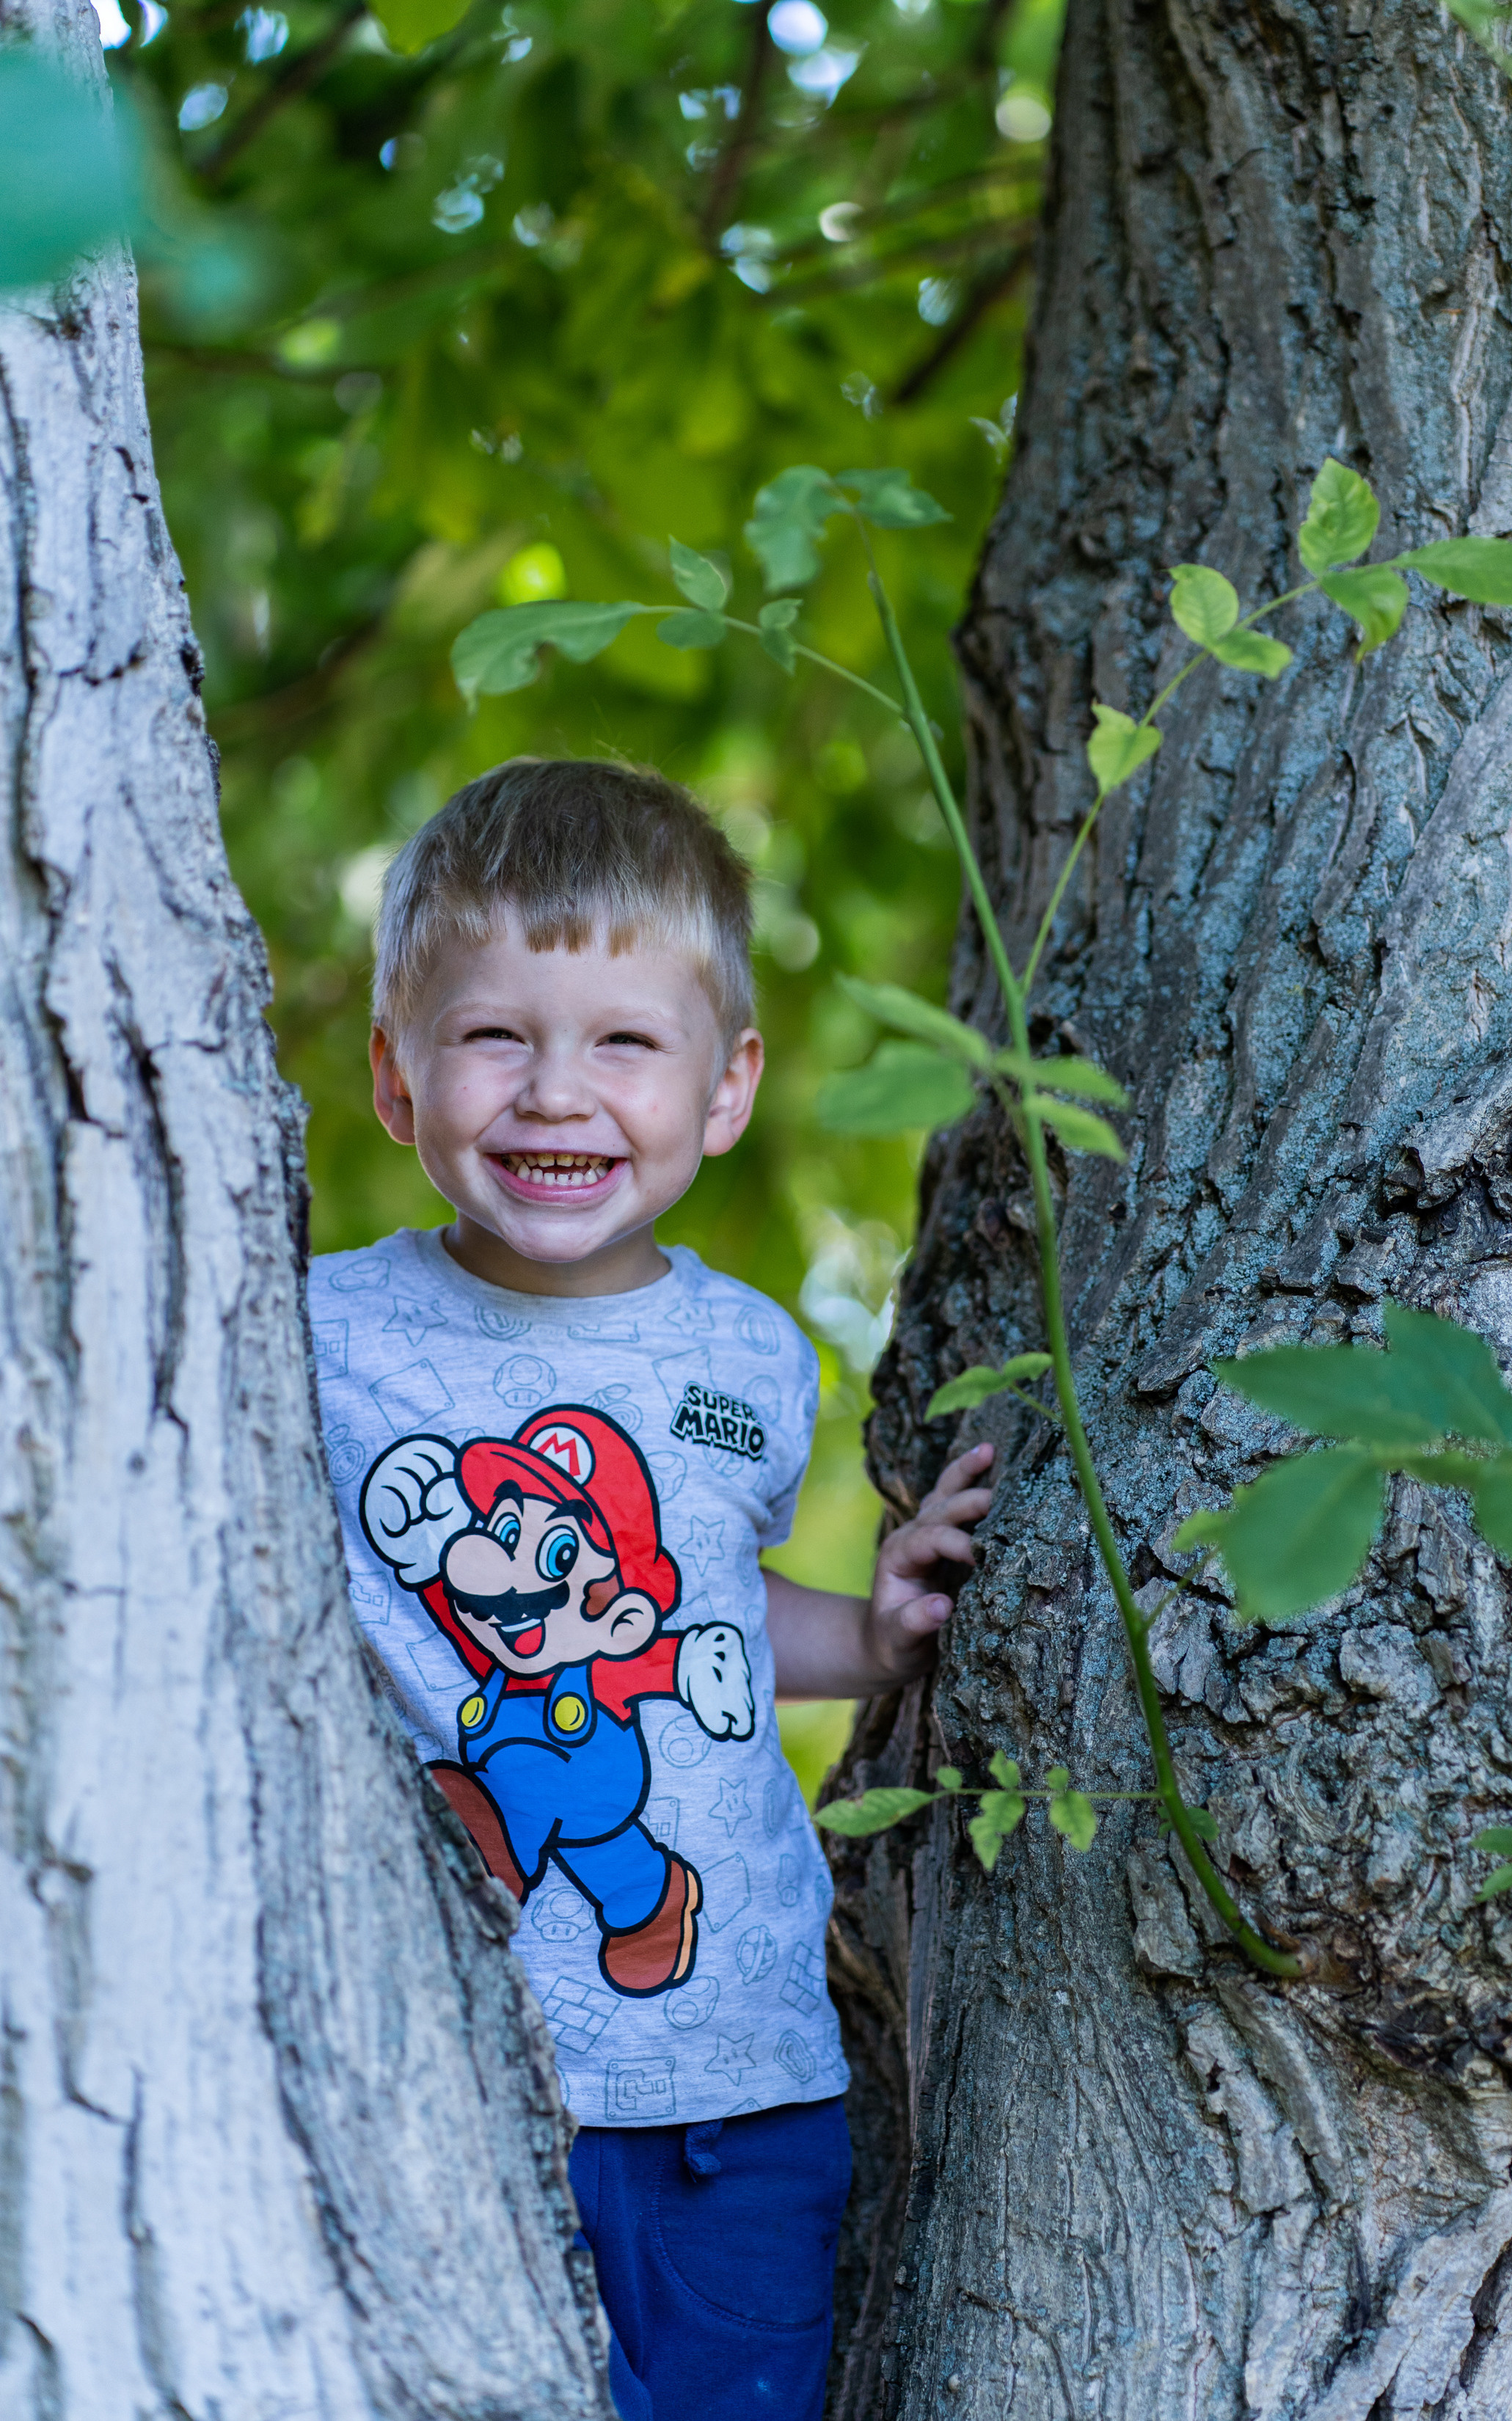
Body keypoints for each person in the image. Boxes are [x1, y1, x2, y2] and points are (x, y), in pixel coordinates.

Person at [308, 756, 994, 2421]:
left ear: (726, 1085)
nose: (557, 1093)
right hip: (425, 2058)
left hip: (728, 2087)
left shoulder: (743, 1360)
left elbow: (707, 1612)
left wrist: (875, 1631)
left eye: (622, 1042)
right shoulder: (317, 1335)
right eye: (494, 1038)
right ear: (397, 1079)